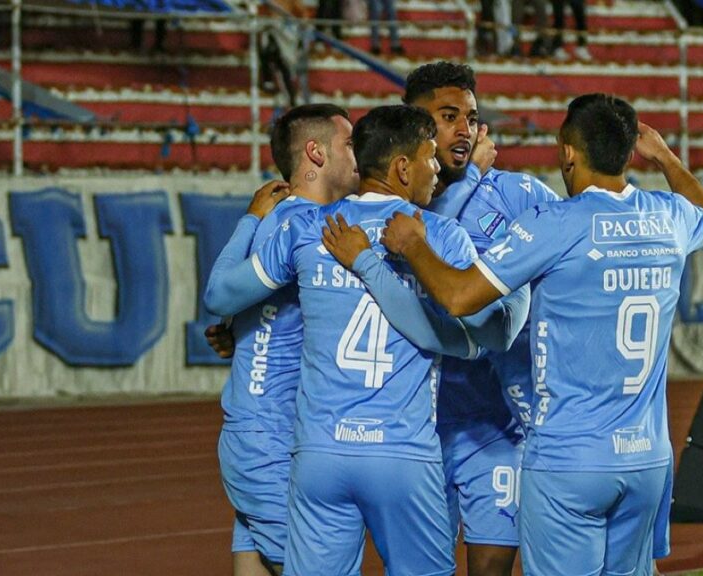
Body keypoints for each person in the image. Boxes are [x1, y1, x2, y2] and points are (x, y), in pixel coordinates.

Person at [379, 94, 703, 575]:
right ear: (629, 154)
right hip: (647, 461)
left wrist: (414, 246)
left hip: (569, 459)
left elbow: (458, 296)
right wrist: (665, 157)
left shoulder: (556, 224)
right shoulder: (668, 217)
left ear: (567, 153)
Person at [203, 105, 529, 576]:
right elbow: (487, 334)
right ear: (402, 167)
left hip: (320, 456)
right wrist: (515, 289)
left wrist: (250, 233)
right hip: (401, 455)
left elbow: (223, 294)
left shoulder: (307, 228)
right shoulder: (440, 235)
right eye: (430, 159)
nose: (438, 171)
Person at [401, 61, 560, 576]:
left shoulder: (519, 196)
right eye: (449, 117)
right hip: (412, 431)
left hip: (494, 425)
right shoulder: (384, 197)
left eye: (471, 118)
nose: (464, 130)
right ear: (415, 124)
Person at [206, 103, 359, 576]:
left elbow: (254, 303)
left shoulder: (279, 218)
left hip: (262, 430)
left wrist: (238, 333)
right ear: (315, 152)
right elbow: (219, 294)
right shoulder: (302, 227)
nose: (360, 155)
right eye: (349, 143)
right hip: (269, 438)